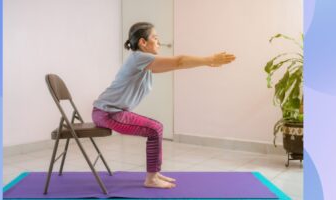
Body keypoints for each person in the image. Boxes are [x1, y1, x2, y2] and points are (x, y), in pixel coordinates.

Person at [92, 22, 236, 189]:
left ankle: (154, 174)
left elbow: (177, 65)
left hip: (108, 111)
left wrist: (204, 63)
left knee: (156, 128)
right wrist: (208, 59)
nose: (159, 42)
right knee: (155, 129)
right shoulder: (139, 58)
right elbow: (179, 62)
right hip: (107, 112)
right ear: (142, 43)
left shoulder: (143, 62)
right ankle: (151, 178)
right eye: (155, 38)